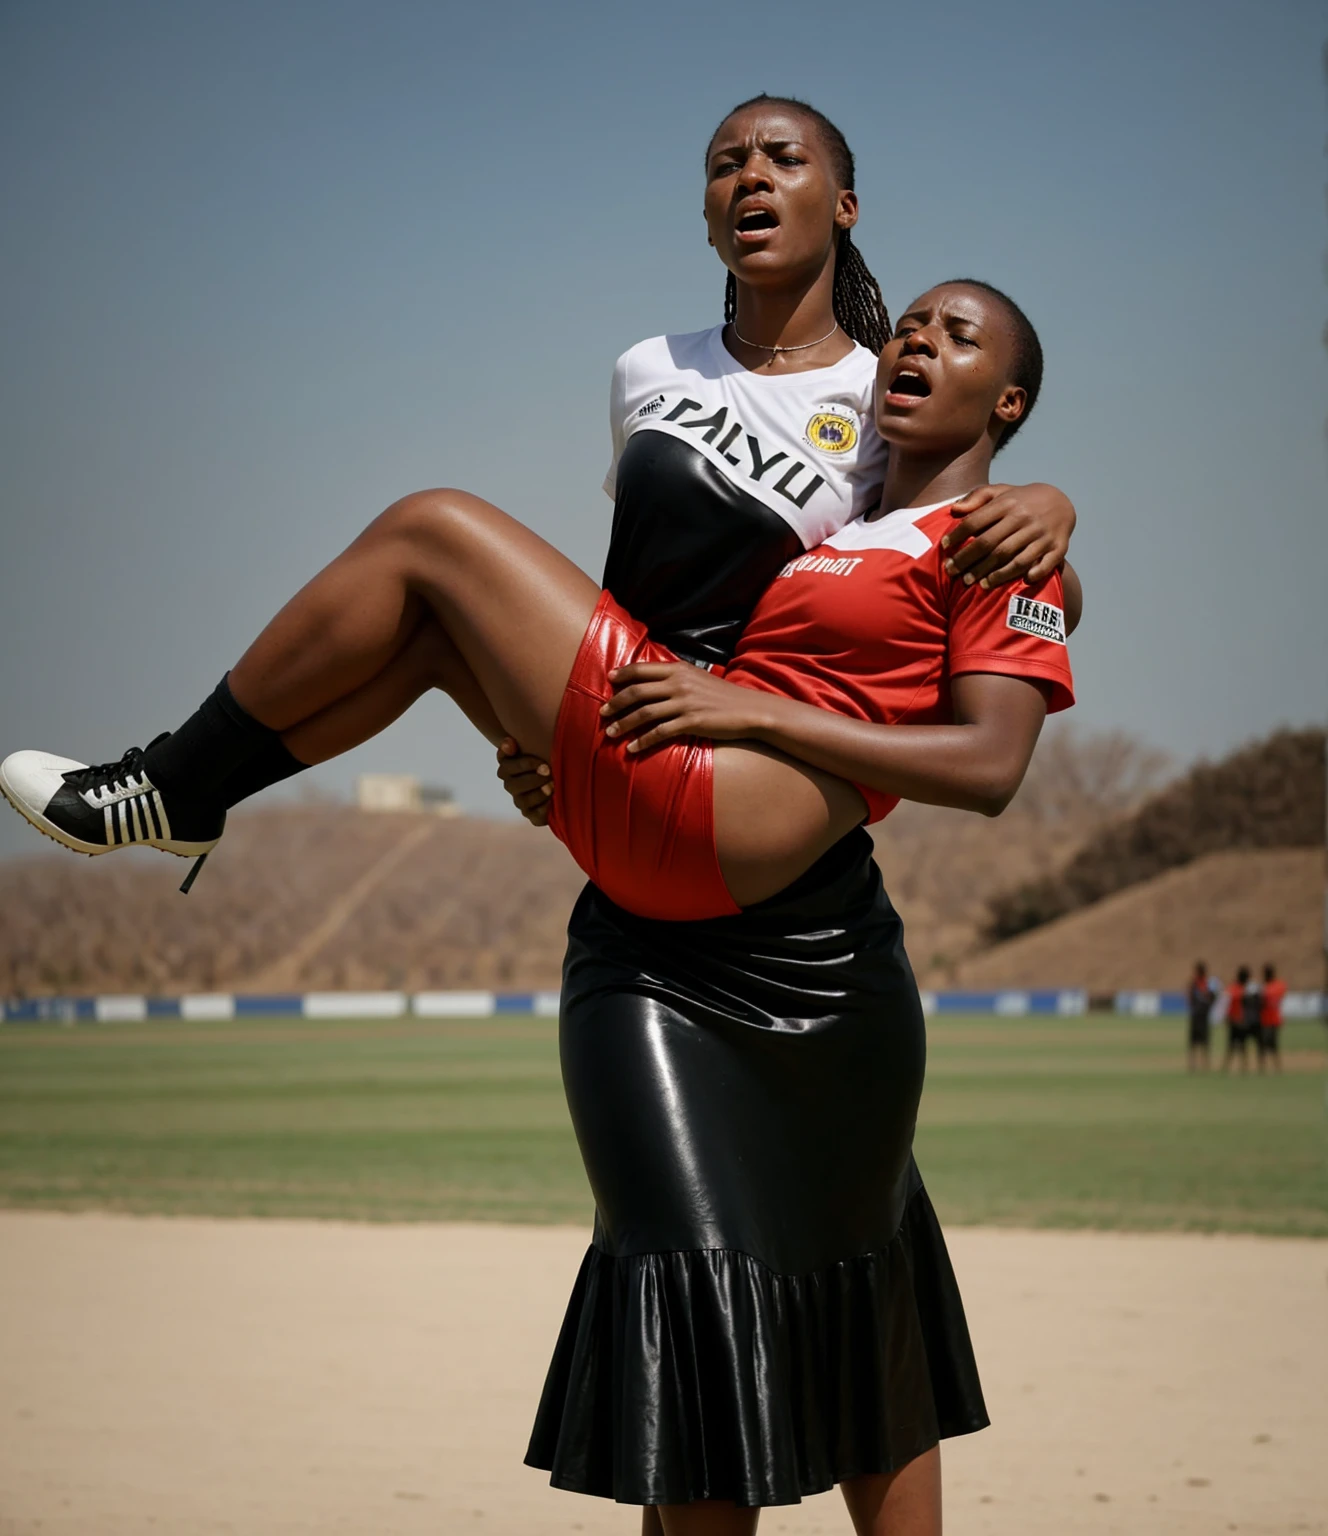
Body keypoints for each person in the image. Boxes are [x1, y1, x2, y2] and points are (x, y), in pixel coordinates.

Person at [1, 97, 1081, 1536]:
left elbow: (989, 604)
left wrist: (1054, 501)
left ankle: (175, 788)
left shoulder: (891, 438)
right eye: (725, 162)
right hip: (655, 811)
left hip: (784, 875)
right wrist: (549, 735)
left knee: (435, 530)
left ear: (850, 204)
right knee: (440, 620)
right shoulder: (656, 374)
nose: (751, 177)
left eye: (786, 158)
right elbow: (660, 602)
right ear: (702, 208)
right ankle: (191, 795)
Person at [1223, 966, 1253, 1073]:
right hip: (1239, 1022)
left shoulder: (1232, 989)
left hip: (1234, 1021)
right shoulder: (1243, 991)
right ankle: (1243, 1067)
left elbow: (1225, 1005)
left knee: (1232, 1046)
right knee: (1240, 1046)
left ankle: (1228, 1067)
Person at [1186, 961, 1214, 1072]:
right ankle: (1194, 1065)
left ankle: (1204, 1064)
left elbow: (1212, 998)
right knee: (1195, 1042)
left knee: (1203, 1042)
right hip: (1197, 1016)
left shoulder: (1207, 984)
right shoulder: (1195, 983)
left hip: (1202, 1016)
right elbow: (1189, 997)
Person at [1258, 963, 1286, 1072]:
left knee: (1270, 1044)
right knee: (1267, 1044)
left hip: (1270, 1019)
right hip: (1267, 1019)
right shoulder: (1277, 986)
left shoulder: (1266, 987)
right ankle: (1266, 1067)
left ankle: (1272, 1067)